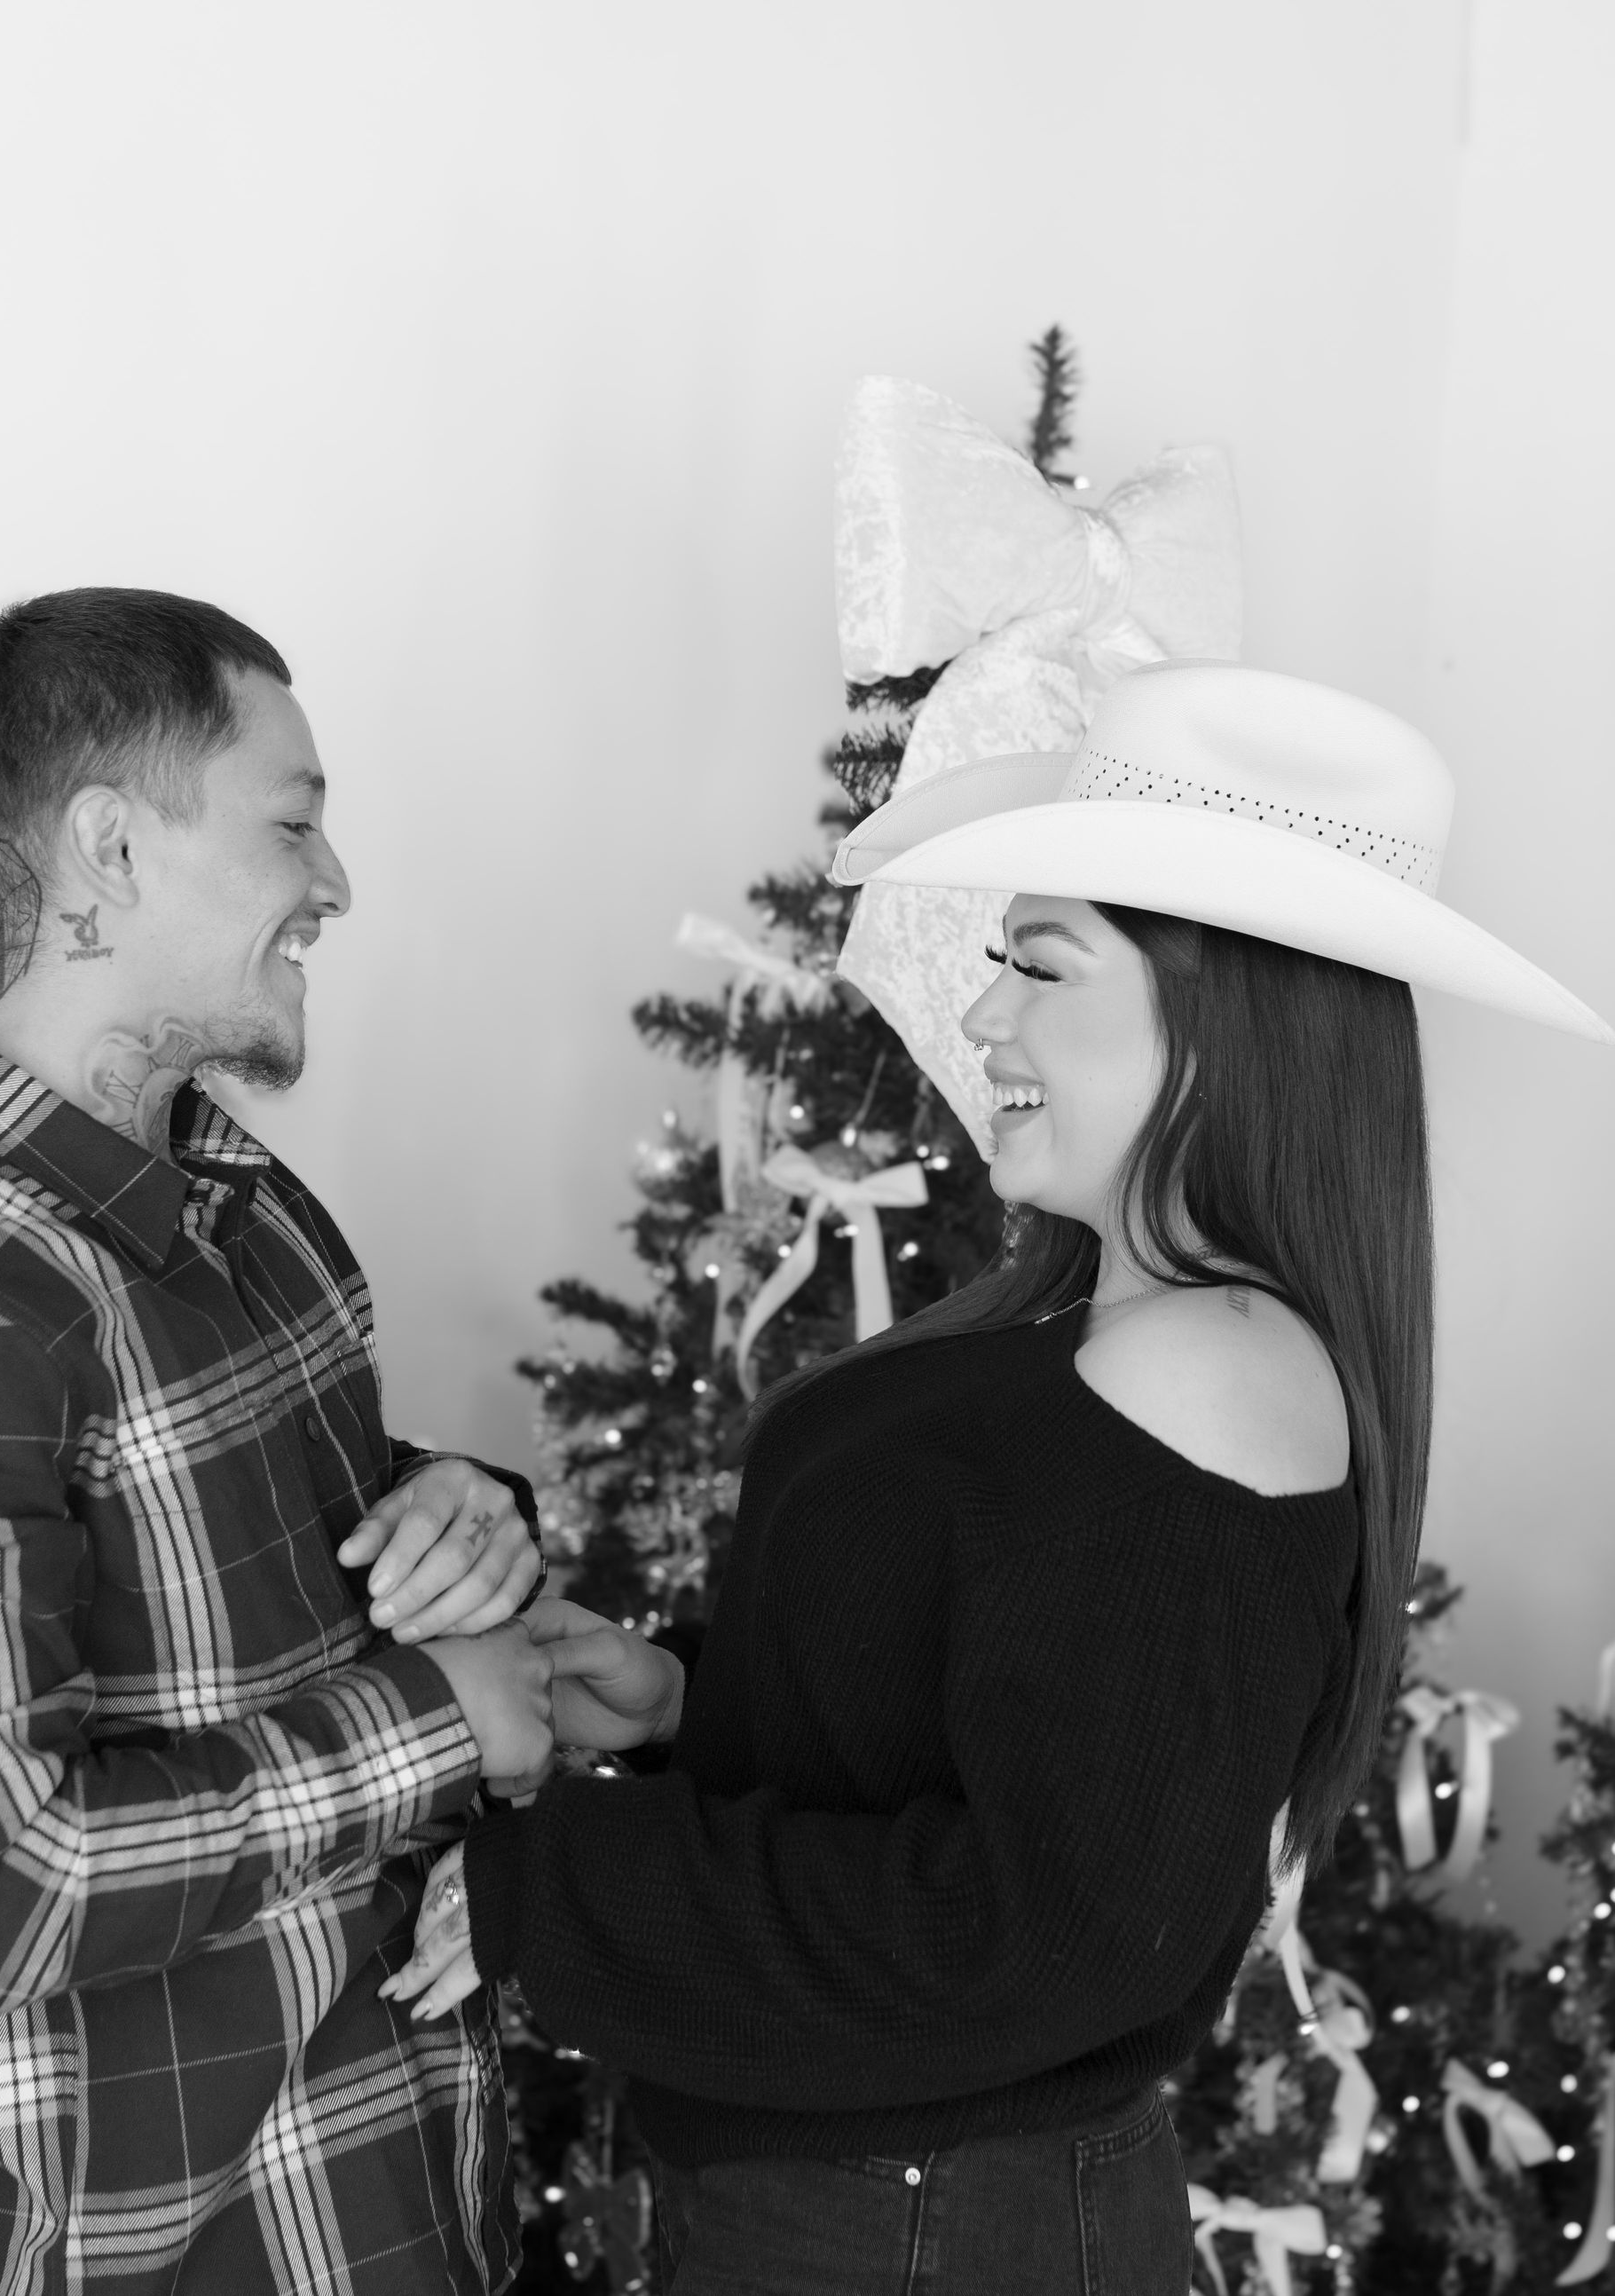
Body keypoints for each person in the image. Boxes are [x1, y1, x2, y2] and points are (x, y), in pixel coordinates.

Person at [390, 660, 1610, 2293]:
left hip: (918, 2225)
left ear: (1220, 1013)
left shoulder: (1203, 1371)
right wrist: (691, 1700)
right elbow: (1022, 1729)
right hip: (886, 2207)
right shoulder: (1124, 1334)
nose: (981, 1019)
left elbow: (1044, 1930)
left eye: (1040, 966)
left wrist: (556, 1889)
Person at [0, 589, 555, 2295]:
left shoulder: (252, 1207)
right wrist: (438, 1720)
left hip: (391, 2206)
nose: (332, 886)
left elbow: (229, 1546)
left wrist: (471, 1511)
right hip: (148, 2253)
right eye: (293, 824)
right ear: (107, 851)